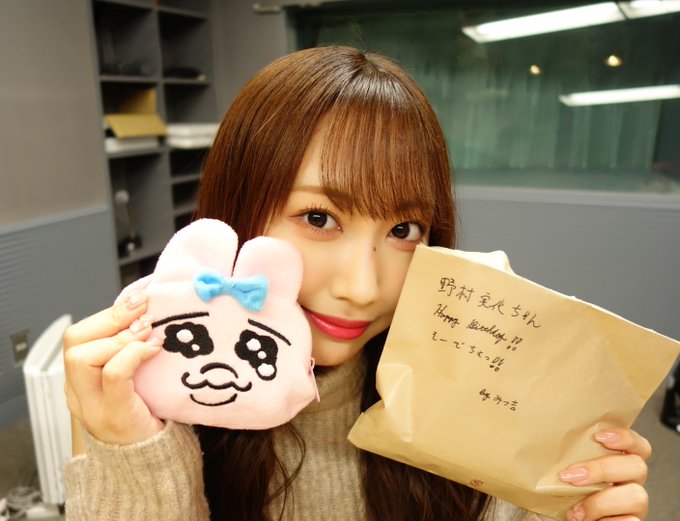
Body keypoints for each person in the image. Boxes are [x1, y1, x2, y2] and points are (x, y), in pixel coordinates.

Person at [62, 46, 651, 521]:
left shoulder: (468, 395)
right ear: (236, 213)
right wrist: (135, 453)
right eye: (319, 218)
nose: (364, 288)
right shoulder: (148, 396)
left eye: (403, 230)